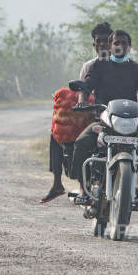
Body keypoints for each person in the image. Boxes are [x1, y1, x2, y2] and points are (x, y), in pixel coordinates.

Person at [71, 29, 138, 213]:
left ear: (129, 46)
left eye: (124, 43)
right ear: (109, 46)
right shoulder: (98, 66)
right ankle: (83, 190)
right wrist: (82, 101)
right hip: (103, 122)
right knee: (81, 142)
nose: (120, 46)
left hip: (130, 125)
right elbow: (87, 87)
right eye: (116, 43)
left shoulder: (137, 69)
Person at [40, 22, 113, 203]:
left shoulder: (128, 66)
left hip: (119, 117)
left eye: (107, 41)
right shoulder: (90, 66)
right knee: (58, 132)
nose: (103, 44)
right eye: (99, 41)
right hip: (95, 115)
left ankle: (135, 188)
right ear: (94, 45)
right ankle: (63, 184)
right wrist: (82, 103)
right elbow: (84, 90)